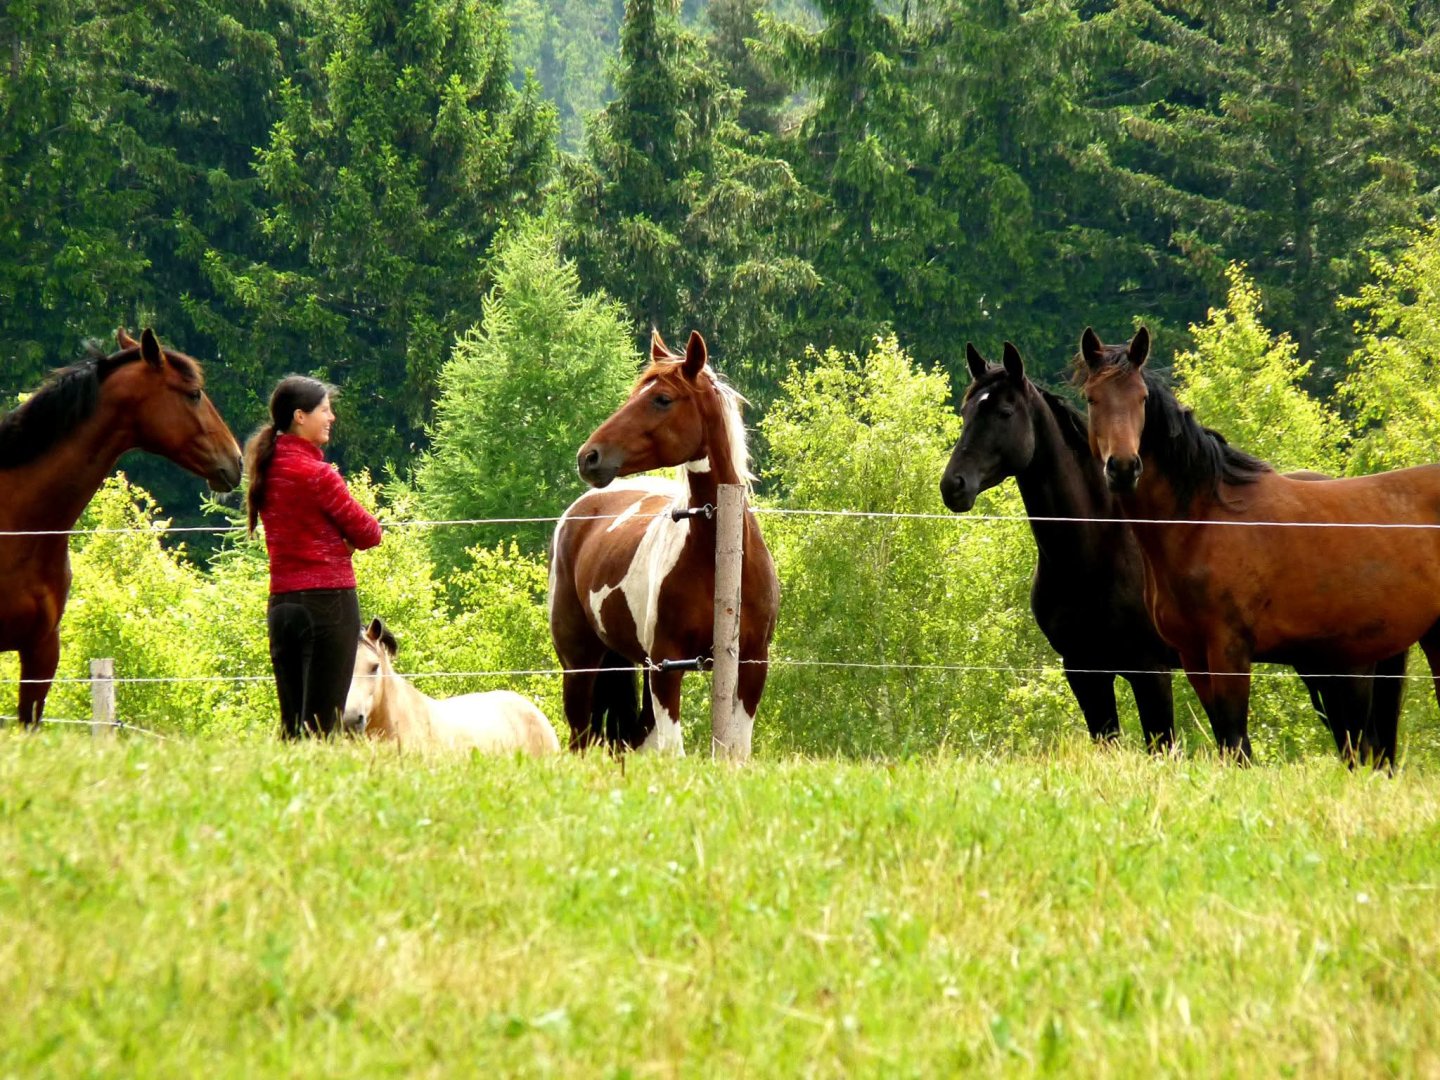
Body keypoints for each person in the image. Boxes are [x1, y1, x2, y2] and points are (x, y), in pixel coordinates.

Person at [244, 376, 381, 739]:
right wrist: (343, 543)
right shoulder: (319, 475)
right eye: (325, 410)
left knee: (292, 726)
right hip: (328, 605)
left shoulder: (266, 470)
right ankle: (320, 793)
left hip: (282, 607)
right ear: (300, 416)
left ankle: (287, 790)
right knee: (322, 727)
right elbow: (370, 533)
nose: (331, 417)